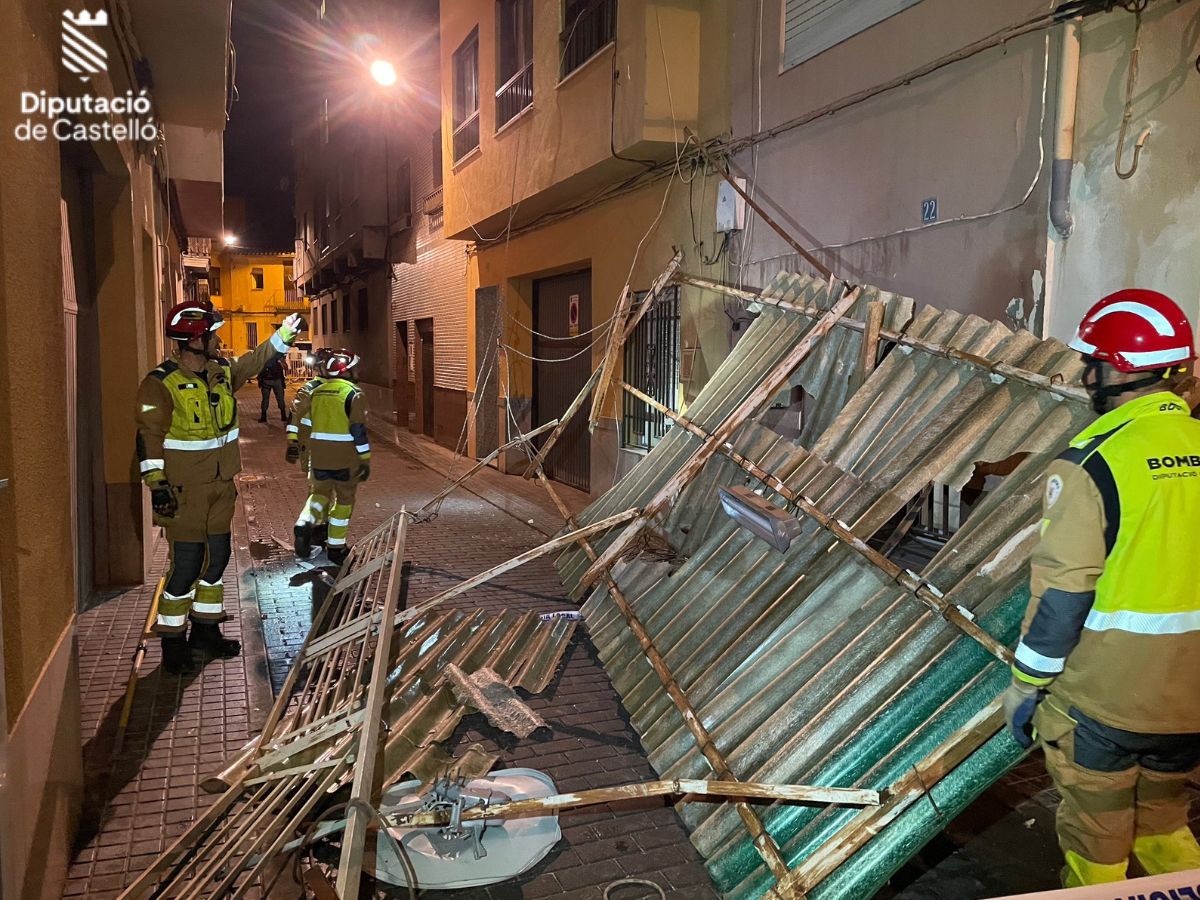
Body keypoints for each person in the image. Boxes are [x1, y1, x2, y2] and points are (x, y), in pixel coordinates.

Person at [1003, 288, 1200, 887]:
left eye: (1094, 361)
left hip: (1101, 706)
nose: (1088, 373)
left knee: (1099, 831)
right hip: (1189, 702)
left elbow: (1063, 600)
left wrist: (1026, 686)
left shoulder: (1092, 464)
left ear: (1117, 370)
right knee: (1164, 821)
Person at [136, 299, 305, 673]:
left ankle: (206, 632)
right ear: (194, 338)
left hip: (220, 487)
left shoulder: (221, 373)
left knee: (218, 561)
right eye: (211, 333)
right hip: (185, 491)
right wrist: (157, 485)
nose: (217, 339)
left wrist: (284, 336)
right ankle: (172, 642)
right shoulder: (160, 384)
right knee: (187, 567)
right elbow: (148, 438)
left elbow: (253, 362)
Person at [288, 349, 370, 565]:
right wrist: (365, 459)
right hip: (343, 457)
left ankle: (307, 523)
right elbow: (358, 430)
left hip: (317, 454)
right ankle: (335, 547)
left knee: (319, 494)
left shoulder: (316, 390)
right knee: (344, 501)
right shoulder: (352, 392)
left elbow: (296, 414)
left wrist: (292, 440)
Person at [286, 348, 331, 551]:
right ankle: (309, 530)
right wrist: (293, 442)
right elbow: (296, 415)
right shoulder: (312, 389)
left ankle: (320, 529)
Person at [257, 354, 287, 422]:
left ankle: (263, 417)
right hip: (277, 380)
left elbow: (259, 368)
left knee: (265, 399)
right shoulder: (278, 355)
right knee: (280, 398)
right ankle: (283, 416)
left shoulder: (264, 355)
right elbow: (285, 367)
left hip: (265, 380)